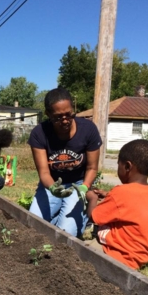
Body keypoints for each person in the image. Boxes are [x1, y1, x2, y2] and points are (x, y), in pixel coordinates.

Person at [28, 86, 101, 238]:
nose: (65, 120)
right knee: (33, 225)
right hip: (52, 183)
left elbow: (92, 167)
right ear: (48, 114)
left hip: (77, 184)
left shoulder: (88, 130)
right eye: (58, 117)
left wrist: (84, 187)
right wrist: (53, 188)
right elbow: (44, 173)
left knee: (66, 234)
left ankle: (84, 218)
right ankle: (60, 217)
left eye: (69, 114)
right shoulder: (39, 133)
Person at [86, 139, 148, 270]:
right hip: (142, 255)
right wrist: (109, 195)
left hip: (120, 257)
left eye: (118, 164)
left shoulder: (120, 192)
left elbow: (92, 217)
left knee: (79, 249)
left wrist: (92, 199)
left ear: (127, 166)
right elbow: (130, 203)